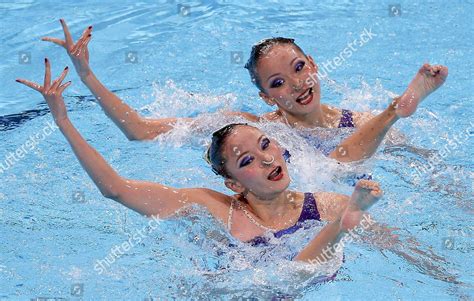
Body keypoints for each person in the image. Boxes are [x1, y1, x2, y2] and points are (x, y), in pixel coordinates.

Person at [16, 60, 383, 269]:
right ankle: (338, 231)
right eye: (247, 161)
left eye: (266, 145)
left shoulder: (327, 204)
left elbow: (397, 246)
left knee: (301, 269)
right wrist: (63, 120)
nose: (268, 158)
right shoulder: (212, 207)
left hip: (300, 277)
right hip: (233, 290)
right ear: (234, 184)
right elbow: (114, 188)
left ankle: (339, 231)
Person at [40, 20, 448, 162]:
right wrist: (88, 76)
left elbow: (425, 163)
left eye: (300, 68)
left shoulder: (357, 120)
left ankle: (396, 111)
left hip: (345, 188)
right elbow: (141, 131)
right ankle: (396, 108)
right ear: (267, 99)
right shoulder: (251, 128)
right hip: (312, 189)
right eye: (277, 84)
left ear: (315, 66)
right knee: (342, 162)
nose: (297, 85)